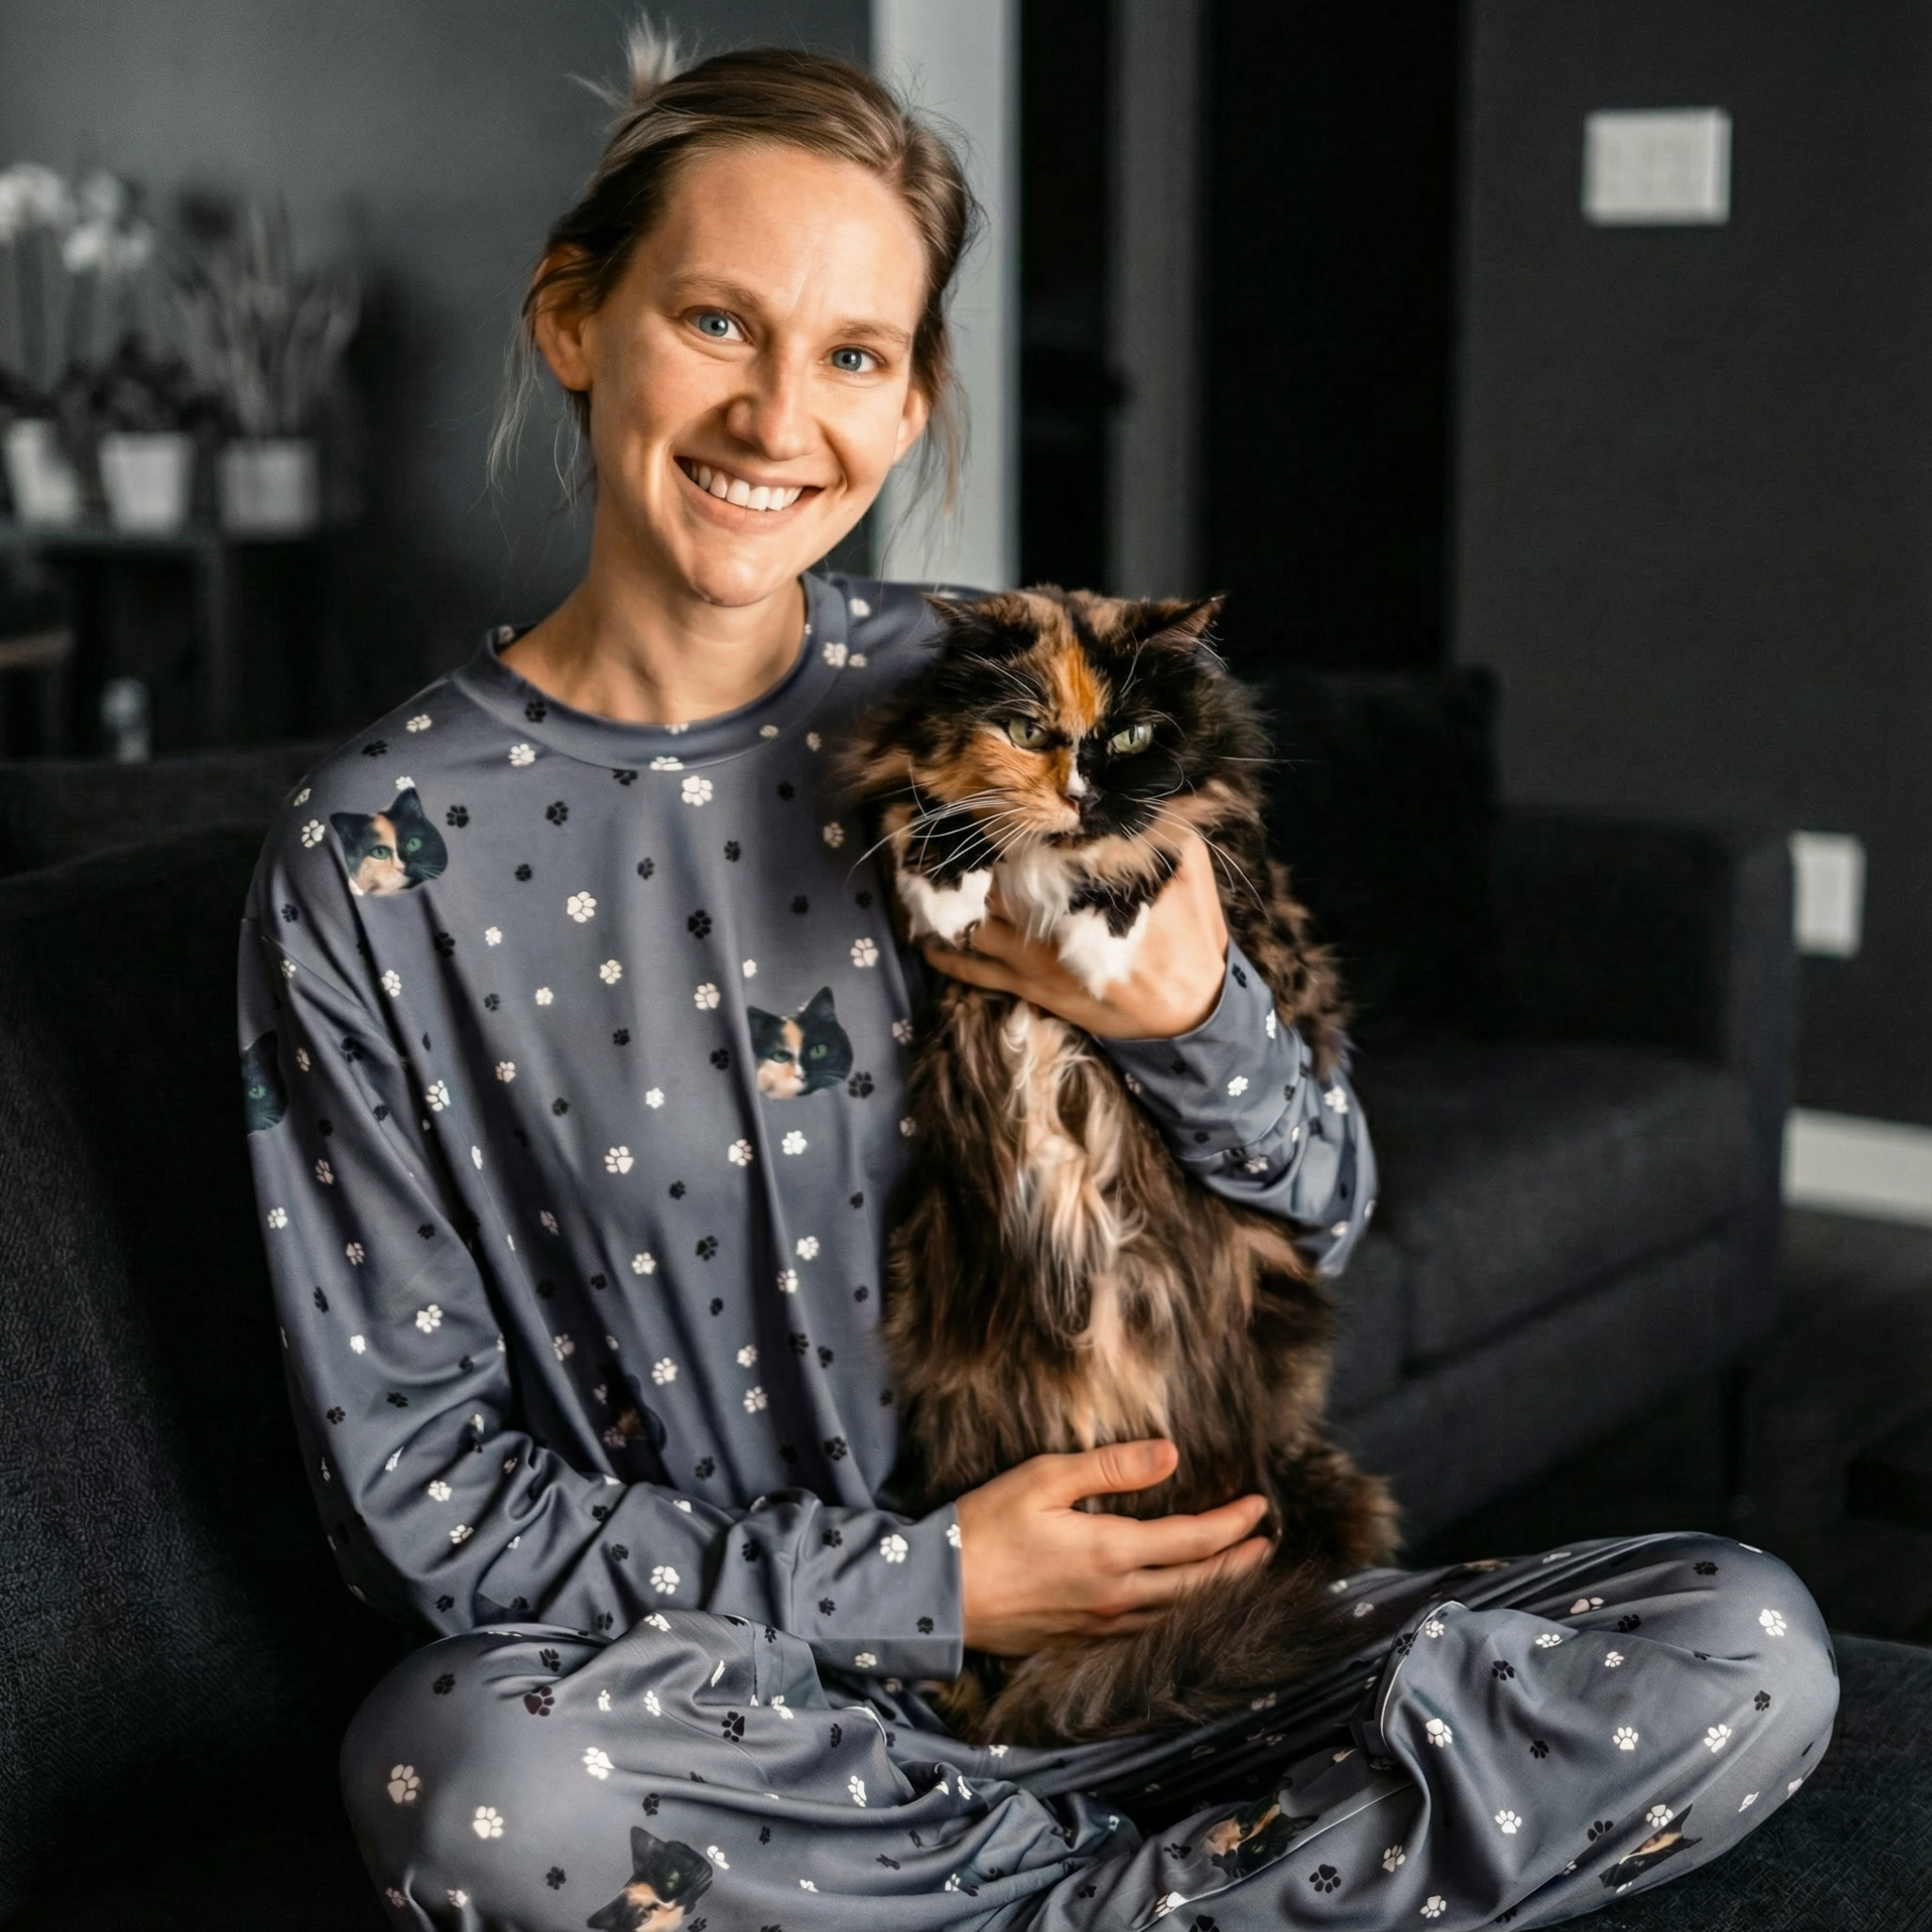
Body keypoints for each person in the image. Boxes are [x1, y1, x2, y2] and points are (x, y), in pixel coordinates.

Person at [239, 31, 1836, 1931]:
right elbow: (416, 1496)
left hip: (1183, 1668)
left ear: (913, 405)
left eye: (851, 355)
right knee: (463, 1780)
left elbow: (1322, 1191)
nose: (776, 419)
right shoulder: (374, 857)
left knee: (1741, 1643)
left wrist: (1187, 1021)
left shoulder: (1030, 697)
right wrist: (931, 1586)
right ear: (575, 319)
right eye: (716, 323)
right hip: (743, 1718)